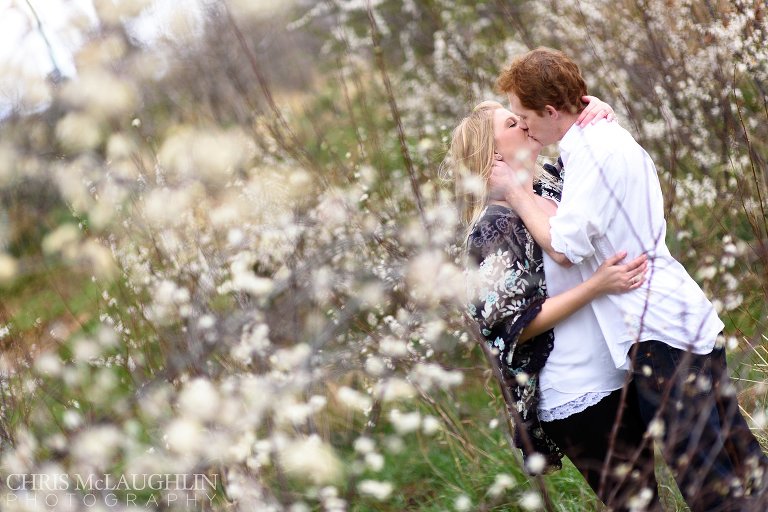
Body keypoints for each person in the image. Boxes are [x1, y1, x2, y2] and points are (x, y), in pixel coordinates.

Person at [491, 47, 768, 511]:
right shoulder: (597, 138)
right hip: (678, 317)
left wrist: (517, 192)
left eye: (524, 117)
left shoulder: (592, 154)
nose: (524, 127)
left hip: (657, 330)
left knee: (708, 477)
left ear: (551, 111)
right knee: (741, 460)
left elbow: (564, 245)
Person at [450, 98, 659, 511]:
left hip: (620, 367)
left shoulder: (551, 186)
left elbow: (597, 168)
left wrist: (595, 111)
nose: (526, 124)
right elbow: (514, 324)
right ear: (493, 154)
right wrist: (597, 286)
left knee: (651, 494)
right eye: (513, 122)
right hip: (576, 389)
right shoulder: (491, 229)